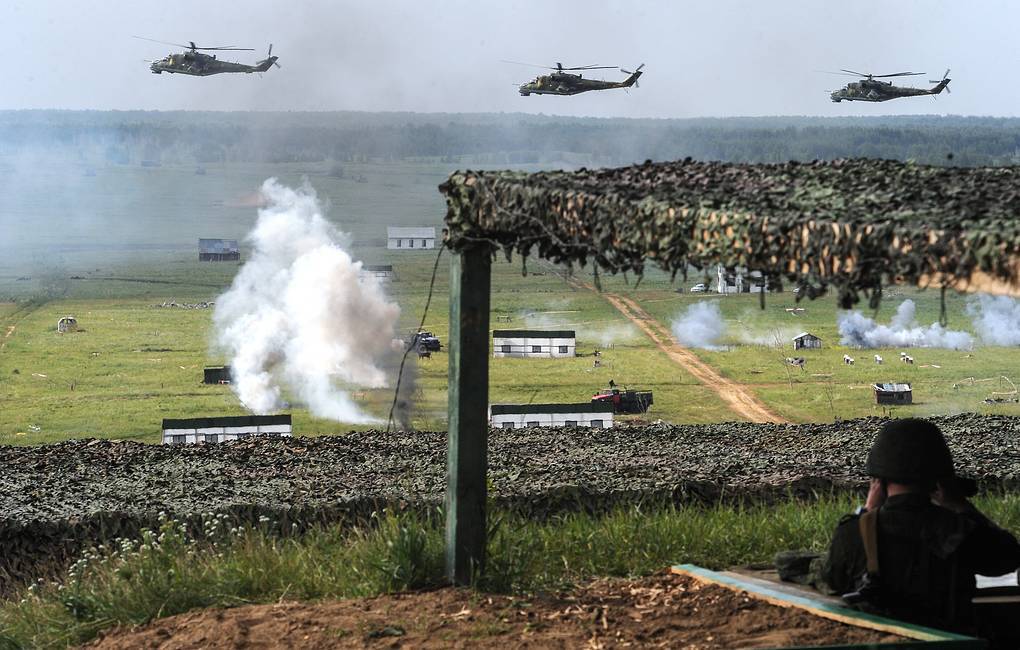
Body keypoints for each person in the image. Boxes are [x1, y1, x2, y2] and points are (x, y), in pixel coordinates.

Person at [818, 418, 1020, 635]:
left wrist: (867, 511)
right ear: (939, 479)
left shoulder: (855, 532)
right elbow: (1007, 559)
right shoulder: (961, 530)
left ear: (879, 482)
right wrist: (961, 505)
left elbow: (833, 578)